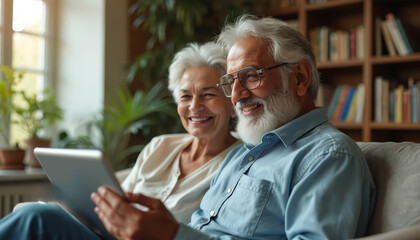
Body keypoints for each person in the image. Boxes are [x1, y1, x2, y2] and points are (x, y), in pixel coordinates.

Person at [90, 14, 376, 239]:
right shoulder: (246, 153)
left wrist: (172, 235)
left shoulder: (328, 157)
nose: (237, 96)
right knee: (45, 218)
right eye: (230, 82)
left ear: (300, 77)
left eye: (251, 77)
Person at [0, 42, 240, 238]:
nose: (194, 106)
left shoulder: (240, 164)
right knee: (39, 214)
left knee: (36, 219)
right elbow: (120, 197)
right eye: (185, 96)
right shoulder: (161, 145)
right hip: (106, 235)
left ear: (232, 104)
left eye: (208, 95)